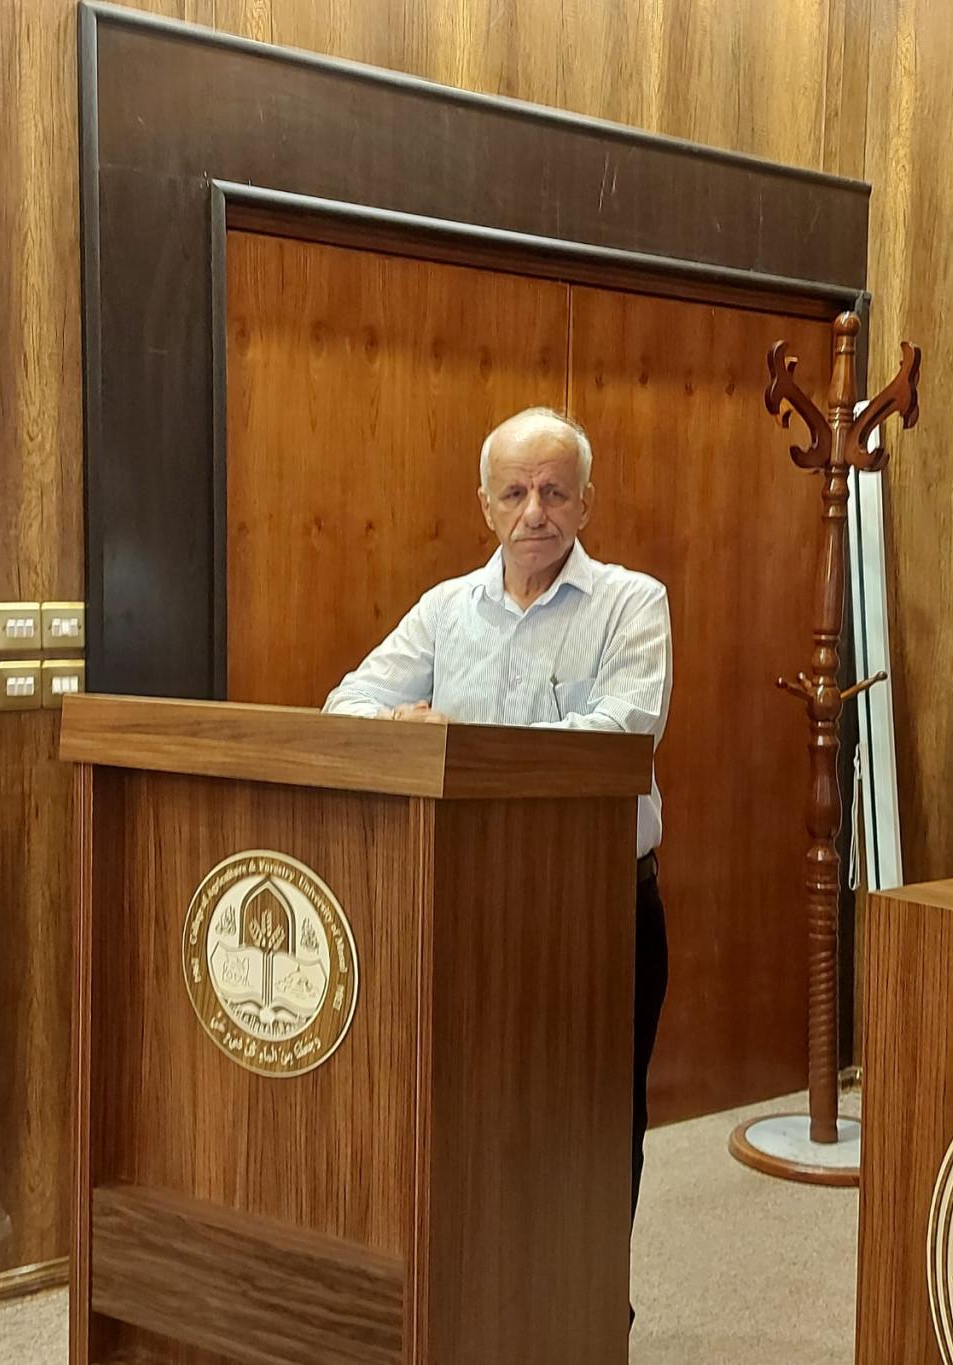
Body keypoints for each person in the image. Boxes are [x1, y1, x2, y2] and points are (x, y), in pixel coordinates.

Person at [323, 406, 672, 1254]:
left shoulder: (633, 603)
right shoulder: (445, 610)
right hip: (463, 905)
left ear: (586, 503)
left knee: (593, 1117)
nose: (535, 512)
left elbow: (617, 737)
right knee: (469, 1110)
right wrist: (400, 725)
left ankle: (594, 1303)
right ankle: (481, 1296)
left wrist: (465, 748)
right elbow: (345, 703)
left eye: (555, 491)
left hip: (596, 910)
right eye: (514, 492)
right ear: (485, 504)